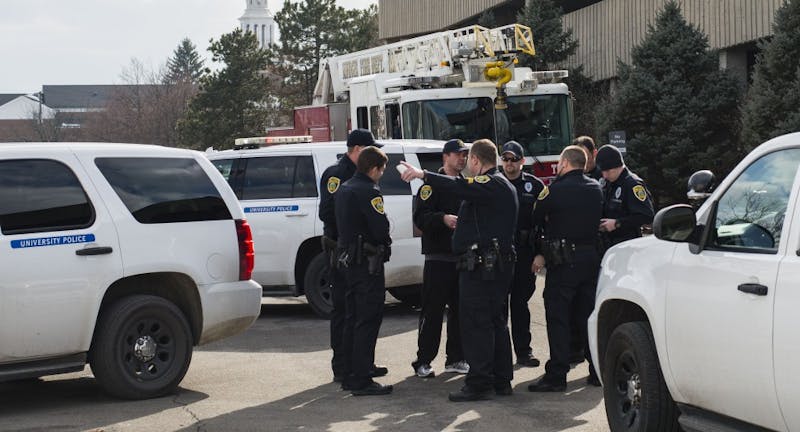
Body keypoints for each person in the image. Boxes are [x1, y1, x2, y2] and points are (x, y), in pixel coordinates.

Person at [400, 139, 518, 402]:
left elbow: (458, 184)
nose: (467, 165)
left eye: (469, 159)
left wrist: (423, 174)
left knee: (477, 324)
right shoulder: (500, 185)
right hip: (490, 265)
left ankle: (479, 383)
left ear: (476, 160)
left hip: (483, 268)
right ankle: (500, 379)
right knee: (494, 322)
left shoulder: (491, 182)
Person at [528, 145, 603, 392]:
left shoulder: (554, 190)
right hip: (590, 259)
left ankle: (557, 374)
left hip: (563, 262)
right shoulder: (596, 188)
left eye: (560, 162)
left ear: (565, 164)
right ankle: (596, 371)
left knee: (558, 317)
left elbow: (536, 216)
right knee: (587, 317)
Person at [319, 128, 387, 385]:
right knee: (345, 310)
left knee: (360, 310)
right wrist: (351, 235)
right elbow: (327, 213)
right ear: (357, 150)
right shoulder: (337, 174)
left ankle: (361, 363)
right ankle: (343, 366)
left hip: (353, 250)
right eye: (370, 150)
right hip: (343, 251)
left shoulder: (360, 175)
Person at [335, 146, 394, 396]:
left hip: (349, 261)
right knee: (368, 319)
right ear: (374, 168)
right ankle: (362, 378)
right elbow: (380, 228)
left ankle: (351, 371)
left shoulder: (345, 188)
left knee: (352, 318)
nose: (381, 175)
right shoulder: (369, 191)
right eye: (381, 170)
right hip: (367, 263)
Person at [411, 139, 469, 378]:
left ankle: (455, 358)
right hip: (438, 258)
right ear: (445, 157)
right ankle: (423, 360)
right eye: (458, 155)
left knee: (460, 312)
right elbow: (420, 218)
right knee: (433, 312)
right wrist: (442, 218)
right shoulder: (429, 186)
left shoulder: (465, 185)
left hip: (462, 258)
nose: (462, 159)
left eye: (465, 155)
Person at [499, 141, 544, 368]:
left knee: (520, 304)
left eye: (513, 159)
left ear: (522, 161)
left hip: (525, 253)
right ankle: (498, 356)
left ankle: (524, 352)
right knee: (497, 307)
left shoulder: (534, 186)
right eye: (505, 159)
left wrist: (541, 254)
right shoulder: (493, 183)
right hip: (499, 254)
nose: (509, 164)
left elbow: (545, 223)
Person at [568, 135, 600, 366]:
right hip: (580, 254)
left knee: (588, 308)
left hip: (594, 252)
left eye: (585, 154)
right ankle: (576, 349)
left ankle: (593, 360)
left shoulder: (602, 179)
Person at [595, 144, 655, 248]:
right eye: (603, 171)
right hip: (608, 244)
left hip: (628, 245)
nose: (604, 175)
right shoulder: (608, 183)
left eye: (608, 171)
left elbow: (646, 216)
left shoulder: (632, 184)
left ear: (618, 166)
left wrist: (617, 223)